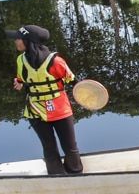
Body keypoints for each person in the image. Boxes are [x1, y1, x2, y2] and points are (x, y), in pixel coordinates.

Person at [7, 24, 83, 175]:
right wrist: (19, 83)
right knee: (49, 147)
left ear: (28, 41)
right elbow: (22, 78)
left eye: (18, 38)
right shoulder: (20, 60)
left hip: (60, 110)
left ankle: (76, 174)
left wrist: (89, 97)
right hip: (35, 111)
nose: (16, 41)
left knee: (70, 147)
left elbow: (75, 83)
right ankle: (56, 176)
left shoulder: (56, 61)